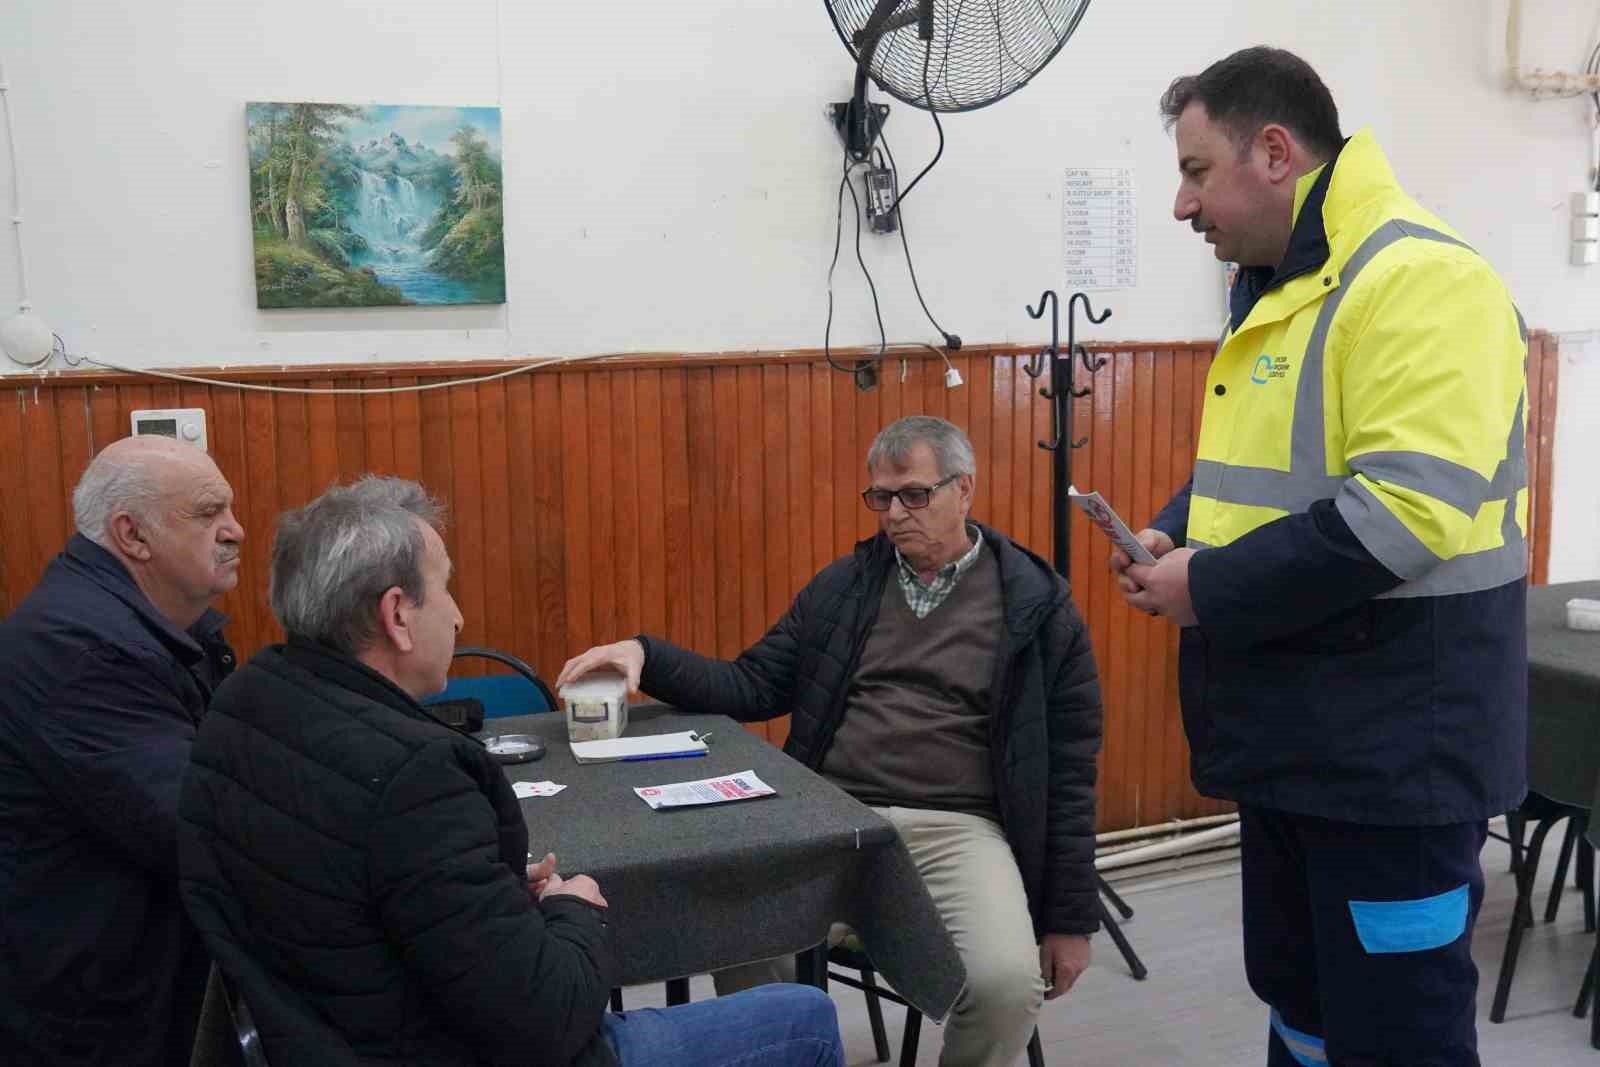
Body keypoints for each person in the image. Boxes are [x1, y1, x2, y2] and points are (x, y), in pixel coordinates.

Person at [1110, 46, 1528, 1066]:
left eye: (1195, 171)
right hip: (1298, 743)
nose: (1179, 203)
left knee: (1397, 1035)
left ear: (1274, 151)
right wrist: (1181, 525)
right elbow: (1277, 474)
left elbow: (1404, 509)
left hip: (1393, 759)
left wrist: (1203, 583)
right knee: (1298, 1006)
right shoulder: (1281, 286)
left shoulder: (1417, 279)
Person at [177, 476, 843, 1067]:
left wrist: (481, 888)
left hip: (322, 1030)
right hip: (445, 1043)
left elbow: (365, 889)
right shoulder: (418, 775)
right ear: (397, 615)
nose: (460, 613)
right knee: (803, 1015)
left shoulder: (240, 705)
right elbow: (551, 1019)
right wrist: (570, 909)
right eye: (447, 587)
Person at [559, 415, 1104, 1067]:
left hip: (959, 828)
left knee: (1007, 987)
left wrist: (1070, 915)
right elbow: (754, 682)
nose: (896, 514)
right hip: (827, 816)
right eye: (882, 497)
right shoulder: (846, 587)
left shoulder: (1036, 605)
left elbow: (1071, 770)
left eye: (915, 494)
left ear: (966, 489)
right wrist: (646, 654)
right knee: (737, 933)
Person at [0, 435, 244, 1066]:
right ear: (132, 535)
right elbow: (203, 829)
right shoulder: (83, 651)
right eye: (209, 513)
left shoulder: (132, 628)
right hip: (90, 1013)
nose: (236, 530)